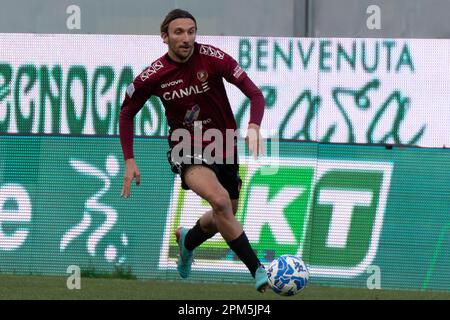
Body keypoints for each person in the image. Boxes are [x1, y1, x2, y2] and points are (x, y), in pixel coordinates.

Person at [119, 9, 268, 292]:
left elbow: (255, 93)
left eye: (191, 31)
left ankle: (188, 241)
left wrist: (254, 126)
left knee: (225, 214)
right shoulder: (154, 75)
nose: (186, 38)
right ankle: (258, 270)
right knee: (222, 202)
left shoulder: (214, 58)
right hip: (185, 147)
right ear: (165, 37)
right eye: (178, 32)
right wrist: (129, 159)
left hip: (223, 145)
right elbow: (126, 114)